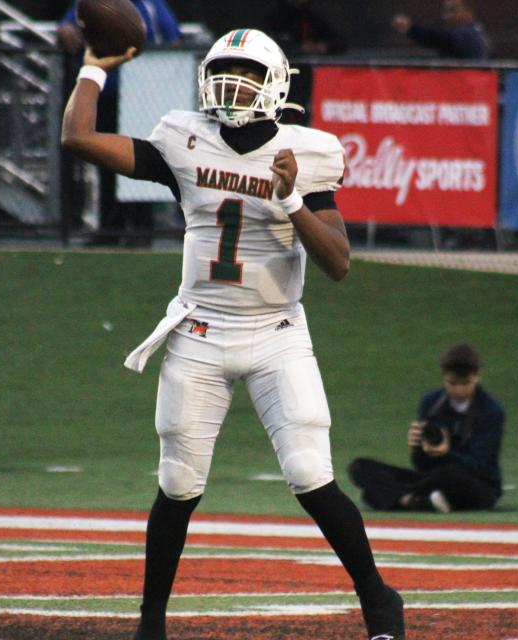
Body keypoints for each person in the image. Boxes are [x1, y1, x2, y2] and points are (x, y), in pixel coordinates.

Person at [61, 28, 405, 640]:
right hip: (199, 329)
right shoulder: (183, 139)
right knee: (177, 482)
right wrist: (93, 67)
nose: (234, 85)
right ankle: (151, 623)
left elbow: (338, 264)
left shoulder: (308, 151)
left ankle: (380, 602)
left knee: (309, 472)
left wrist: (292, 197)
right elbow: (78, 138)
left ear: (275, 85)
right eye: (226, 71)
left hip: (277, 331)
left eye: (248, 74)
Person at [57, 0, 183, 246]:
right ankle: (109, 227)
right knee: (103, 159)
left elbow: (173, 39)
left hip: (142, 96)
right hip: (105, 94)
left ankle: (141, 228)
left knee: (141, 161)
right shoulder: (97, 3)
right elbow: (70, 26)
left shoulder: (150, 4)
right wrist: (68, 32)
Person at [348, 344, 504, 513]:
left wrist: (446, 453)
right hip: (431, 479)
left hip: (476, 485)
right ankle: (414, 500)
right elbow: (421, 465)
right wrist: (416, 447)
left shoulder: (491, 411)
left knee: (450, 474)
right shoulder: (431, 402)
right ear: (444, 377)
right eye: (452, 383)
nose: (459, 390)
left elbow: (480, 466)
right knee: (359, 466)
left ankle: (394, 496)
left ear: (477, 376)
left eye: (465, 383)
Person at [391, 0, 491, 60]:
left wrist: (411, 28)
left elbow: (440, 38)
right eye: (446, 12)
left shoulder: (468, 35)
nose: (446, 17)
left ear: (468, 12)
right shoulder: (478, 33)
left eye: (452, 10)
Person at [261, 0, 348, 56]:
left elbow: (339, 42)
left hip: (309, 70)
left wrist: (319, 47)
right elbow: (265, 45)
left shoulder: (312, 18)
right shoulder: (275, 15)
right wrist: (298, 48)